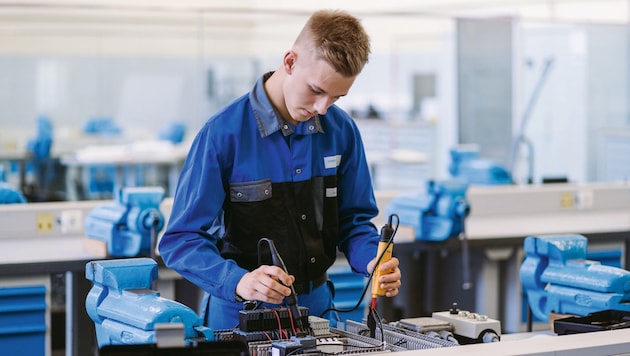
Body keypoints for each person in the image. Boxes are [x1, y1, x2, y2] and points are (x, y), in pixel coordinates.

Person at [159, 9, 402, 330]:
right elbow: (181, 240)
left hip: (318, 311)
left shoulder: (341, 130)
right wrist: (238, 281)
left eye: (336, 97)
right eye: (316, 90)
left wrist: (371, 259)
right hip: (240, 315)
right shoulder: (222, 135)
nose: (322, 108)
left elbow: (354, 222)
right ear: (289, 62)